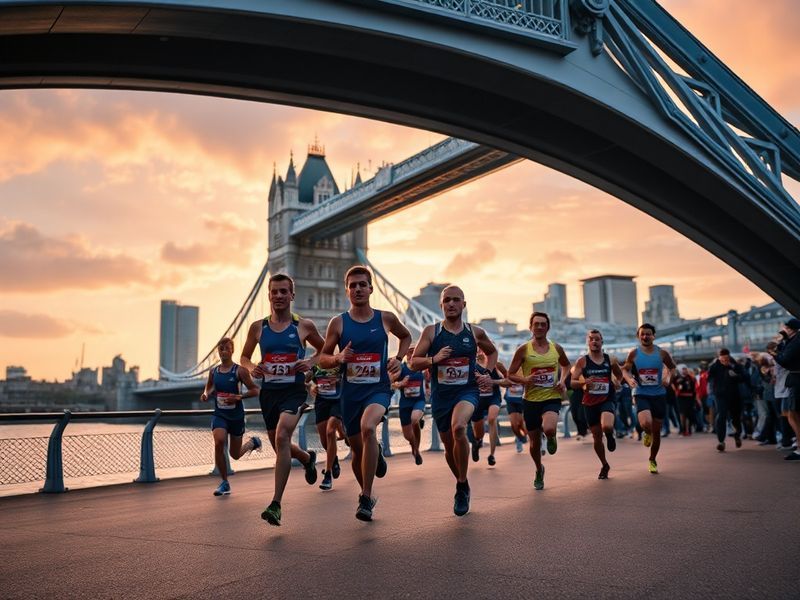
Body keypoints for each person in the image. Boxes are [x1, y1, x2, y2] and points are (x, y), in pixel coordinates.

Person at [320, 266, 411, 521]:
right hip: (350, 394)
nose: (358, 289)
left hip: (378, 390)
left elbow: (405, 337)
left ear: (371, 289)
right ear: (347, 290)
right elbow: (322, 359)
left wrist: (399, 359)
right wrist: (338, 357)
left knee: (368, 427)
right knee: (357, 451)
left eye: (363, 284)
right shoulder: (338, 323)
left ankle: (365, 496)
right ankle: (367, 489)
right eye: (353, 285)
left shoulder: (386, 318)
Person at [241, 273, 325, 526]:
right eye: (274, 291)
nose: (278, 296)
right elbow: (243, 357)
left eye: (283, 291)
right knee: (281, 448)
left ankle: (276, 504)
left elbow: (325, 351)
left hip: (294, 391)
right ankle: (307, 458)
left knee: (281, 437)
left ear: (292, 295)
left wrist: (309, 362)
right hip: (269, 394)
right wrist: (252, 366)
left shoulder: (304, 326)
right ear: (268, 295)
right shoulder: (258, 327)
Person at [410, 285, 496, 516]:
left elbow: (492, 352)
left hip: (467, 391)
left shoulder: (474, 332)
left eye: (456, 300)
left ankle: (460, 486)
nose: (451, 304)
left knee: (459, 428)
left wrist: (486, 372)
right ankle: (462, 482)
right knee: (449, 447)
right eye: (447, 300)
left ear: (463, 305)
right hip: (441, 397)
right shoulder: (431, 332)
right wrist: (434, 359)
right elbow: (414, 362)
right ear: (441, 305)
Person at [508, 312, 571, 490]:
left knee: (549, 427)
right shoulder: (523, 349)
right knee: (534, 443)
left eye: (543, 324)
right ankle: (538, 469)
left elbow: (566, 365)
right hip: (530, 400)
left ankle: (551, 436)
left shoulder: (556, 348)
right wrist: (525, 380)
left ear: (548, 327)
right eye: (536, 324)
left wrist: (562, 380)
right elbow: (510, 374)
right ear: (531, 327)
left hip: (552, 396)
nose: (540, 327)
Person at [200, 337, 262, 496]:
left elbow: (255, 390)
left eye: (227, 348)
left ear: (232, 350)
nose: (223, 351)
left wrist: (239, 397)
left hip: (236, 417)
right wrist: (206, 394)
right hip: (220, 415)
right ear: (218, 352)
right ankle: (224, 482)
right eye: (221, 349)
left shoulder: (240, 371)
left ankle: (252, 443)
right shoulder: (213, 372)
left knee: (235, 455)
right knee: (219, 442)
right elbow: (208, 388)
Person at [621, 323, 676, 474]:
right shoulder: (634, 353)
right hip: (641, 392)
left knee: (657, 432)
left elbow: (672, 368)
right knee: (646, 423)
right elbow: (625, 370)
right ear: (638, 336)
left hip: (659, 394)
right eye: (642, 334)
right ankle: (646, 431)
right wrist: (629, 380)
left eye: (648, 334)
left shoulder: (662, 354)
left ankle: (652, 459)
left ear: (653, 336)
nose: (645, 336)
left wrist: (668, 379)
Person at [570, 329, 623, 479]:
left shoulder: (610, 359)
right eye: (591, 339)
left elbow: (619, 374)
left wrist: (617, 382)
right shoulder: (582, 361)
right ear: (588, 342)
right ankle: (605, 464)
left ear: (602, 342)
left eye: (597, 339)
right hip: (590, 402)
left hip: (607, 398)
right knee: (597, 437)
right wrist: (583, 382)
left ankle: (610, 435)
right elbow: (572, 382)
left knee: (606, 426)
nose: (594, 341)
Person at [309, 363, 345, 490]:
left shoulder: (341, 363)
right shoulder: (315, 365)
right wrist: (311, 387)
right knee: (325, 441)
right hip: (321, 402)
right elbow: (305, 381)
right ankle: (333, 459)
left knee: (330, 432)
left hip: (338, 401)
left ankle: (327, 474)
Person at [471, 350, 510, 466]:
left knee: (492, 419)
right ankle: (477, 443)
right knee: (479, 434)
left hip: (493, 398)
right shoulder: (471, 365)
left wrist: (493, 381)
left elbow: (507, 382)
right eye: (479, 348)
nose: (481, 351)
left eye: (484, 348)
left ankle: (492, 455)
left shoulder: (496, 365)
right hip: (478, 399)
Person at [768, 317, 800, 461]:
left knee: (794, 415)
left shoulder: (796, 342)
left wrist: (774, 354)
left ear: (791, 329)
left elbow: (785, 360)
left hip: (797, 380)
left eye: (786, 328)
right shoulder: (793, 341)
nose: (784, 330)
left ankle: (799, 448)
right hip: (795, 379)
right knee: (793, 415)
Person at [392, 344, 427, 465]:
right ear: (406, 355)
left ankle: (416, 450)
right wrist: (401, 383)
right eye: (409, 352)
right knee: (407, 436)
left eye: (414, 352)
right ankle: (414, 447)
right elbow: (393, 383)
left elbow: (431, 377)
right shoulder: (401, 368)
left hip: (419, 401)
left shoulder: (422, 367)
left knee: (414, 419)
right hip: (405, 404)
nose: (411, 354)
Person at [706, 348, 744, 452]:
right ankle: (721, 441)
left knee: (736, 417)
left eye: (726, 359)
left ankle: (737, 435)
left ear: (729, 356)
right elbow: (708, 378)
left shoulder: (735, 365)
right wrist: (713, 384)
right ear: (719, 358)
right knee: (721, 416)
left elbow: (743, 378)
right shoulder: (714, 366)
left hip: (734, 395)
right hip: (720, 396)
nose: (724, 361)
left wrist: (735, 375)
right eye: (722, 359)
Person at [672, 365, 697, 436]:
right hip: (681, 398)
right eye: (683, 369)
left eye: (685, 369)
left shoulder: (690, 378)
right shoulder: (676, 378)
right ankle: (683, 430)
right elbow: (673, 385)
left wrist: (695, 399)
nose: (684, 370)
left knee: (689, 414)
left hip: (690, 398)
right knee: (683, 414)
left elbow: (694, 388)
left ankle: (689, 429)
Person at [504, 380, 527, 452]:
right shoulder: (508, 373)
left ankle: (521, 439)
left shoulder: (522, 372)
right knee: (514, 425)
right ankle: (520, 438)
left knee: (521, 424)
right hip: (511, 401)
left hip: (521, 400)